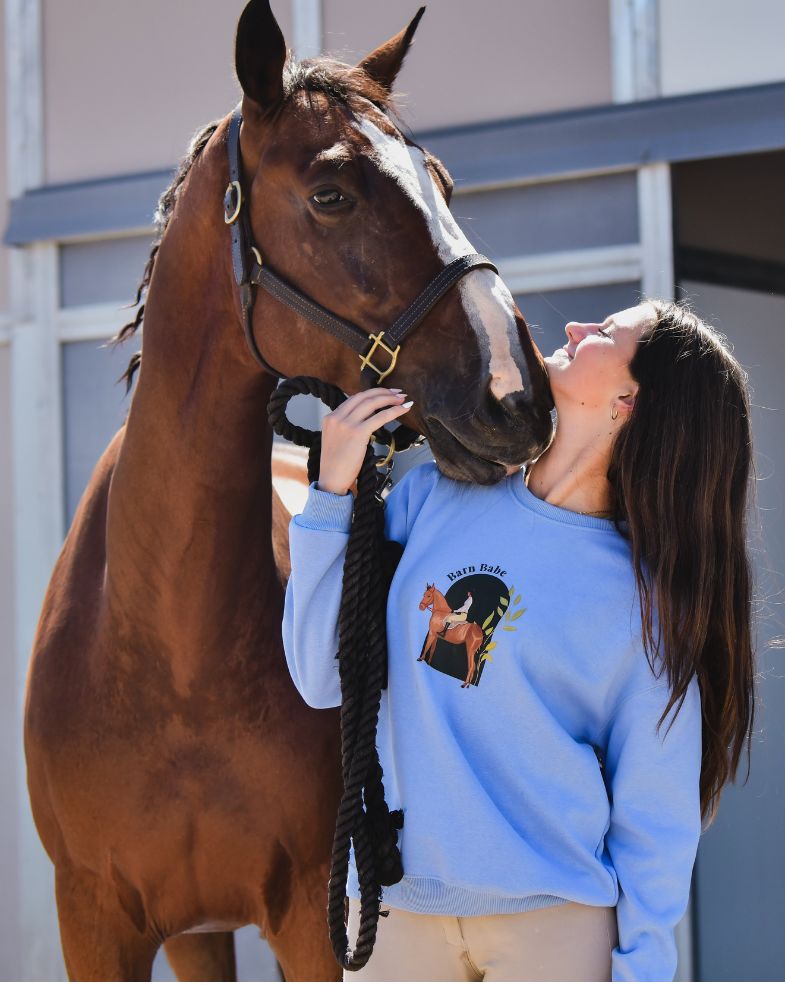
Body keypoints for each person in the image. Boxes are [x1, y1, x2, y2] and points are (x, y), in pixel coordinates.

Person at [282, 300, 757, 982]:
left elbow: (655, 819)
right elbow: (319, 675)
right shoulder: (434, 496)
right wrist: (330, 492)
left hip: (552, 926)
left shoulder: (644, 603)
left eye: (604, 333)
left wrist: (642, 969)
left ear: (628, 397)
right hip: (393, 910)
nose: (573, 328)